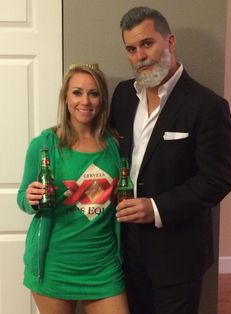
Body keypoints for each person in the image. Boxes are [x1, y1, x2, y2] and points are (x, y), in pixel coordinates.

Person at [109, 6, 231, 314]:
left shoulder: (208, 106)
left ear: (170, 42)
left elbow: (216, 180)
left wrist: (155, 208)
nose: (140, 55)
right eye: (131, 48)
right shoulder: (123, 95)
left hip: (178, 254)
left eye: (147, 43)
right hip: (126, 248)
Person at [17, 64, 130, 314]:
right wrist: (30, 198)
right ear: (66, 98)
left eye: (94, 93)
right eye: (77, 92)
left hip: (104, 265)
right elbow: (22, 197)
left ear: (102, 100)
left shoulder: (114, 145)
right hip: (55, 265)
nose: (85, 101)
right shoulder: (44, 144)